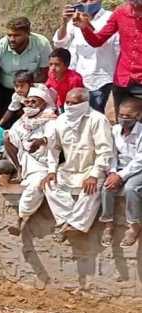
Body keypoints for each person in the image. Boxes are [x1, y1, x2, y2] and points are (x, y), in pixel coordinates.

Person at [43, 88, 113, 242]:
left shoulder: (97, 120)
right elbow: (54, 148)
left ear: (84, 103)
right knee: (48, 184)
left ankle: (74, 225)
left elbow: (105, 151)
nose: (68, 106)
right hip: (69, 169)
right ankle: (67, 221)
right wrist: (51, 170)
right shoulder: (61, 120)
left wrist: (94, 175)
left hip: (92, 168)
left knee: (92, 189)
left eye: (73, 103)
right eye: (67, 102)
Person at [4, 85, 58, 236]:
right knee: (6, 137)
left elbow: (54, 139)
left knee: (35, 186)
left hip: (46, 164)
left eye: (33, 102)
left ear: (43, 103)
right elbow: (12, 138)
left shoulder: (51, 120)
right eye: (26, 102)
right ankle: (18, 170)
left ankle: (20, 218)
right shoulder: (22, 121)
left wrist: (41, 141)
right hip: (27, 161)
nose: (29, 106)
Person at [0, 17, 52, 124]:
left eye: (16, 35)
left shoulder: (41, 43)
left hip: (33, 92)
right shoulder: (1, 46)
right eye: (9, 35)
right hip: (6, 92)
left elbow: (45, 72)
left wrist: (28, 91)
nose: (12, 39)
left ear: (28, 34)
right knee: (8, 125)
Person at [73, 0, 142, 112]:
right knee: (123, 122)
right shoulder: (120, 12)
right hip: (123, 80)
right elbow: (98, 41)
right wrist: (84, 27)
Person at [53, 0, 118, 112]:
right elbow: (59, 43)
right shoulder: (75, 19)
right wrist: (64, 22)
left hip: (104, 79)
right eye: (83, 0)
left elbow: (103, 42)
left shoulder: (111, 17)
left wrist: (87, 26)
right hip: (80, 79)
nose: (87, 3)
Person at [99, 97, 142, 247]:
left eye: (128, 116)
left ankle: (134, 225)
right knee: (106, 188)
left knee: (131, 189)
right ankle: (108, 224)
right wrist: (112, 172)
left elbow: (139, 160)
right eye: (121, 115)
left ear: (138, 116)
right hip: (120, 168)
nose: (124, 119)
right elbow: (112, 153)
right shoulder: (115, 130)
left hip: (138, 169)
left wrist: (121, 175)